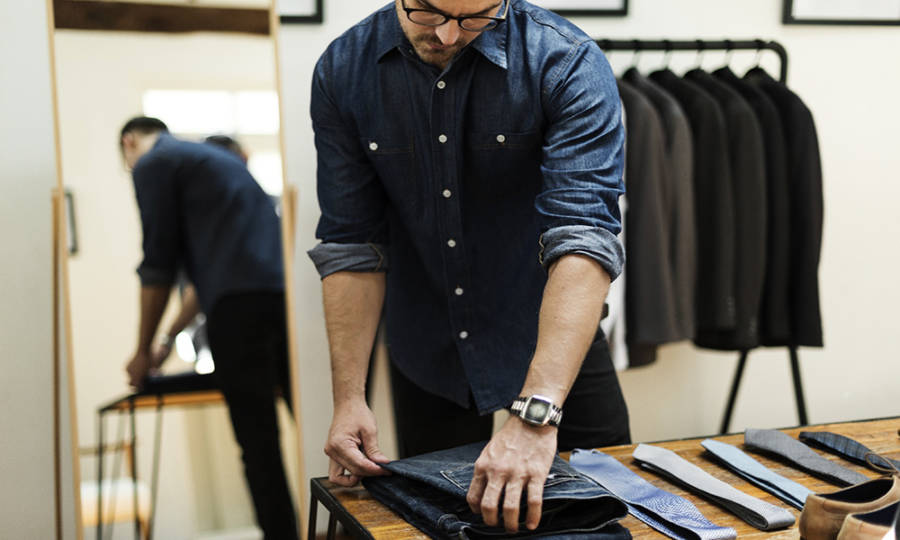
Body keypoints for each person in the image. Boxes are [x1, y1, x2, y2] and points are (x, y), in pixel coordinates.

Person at [308, 0, 630, 534]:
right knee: (444, 527)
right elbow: (352, 244)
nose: (449, 35)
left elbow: (584, 236)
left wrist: (537, 415)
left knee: (603, 522)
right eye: (427, 11)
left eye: (477, 16)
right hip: (427, 352)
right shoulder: (344, 69)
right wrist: (349, 398)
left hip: (551, 342)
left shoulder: (566, 60)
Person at [119, 117, 297, 539]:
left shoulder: (153, 163)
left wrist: (141, 351)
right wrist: (166, 341)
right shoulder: (215, 160)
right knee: (321, 429)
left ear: (129, 143)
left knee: (258, 445)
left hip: (237, 315)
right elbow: (212, 278)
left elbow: (158, 266)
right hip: (286, 303)